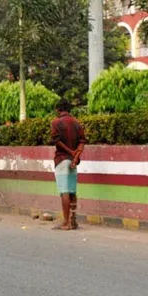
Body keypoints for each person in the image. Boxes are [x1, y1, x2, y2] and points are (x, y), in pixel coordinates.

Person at [51, 99, 83, 231]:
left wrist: (70, 152)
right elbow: (82, 141)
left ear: (58, 109)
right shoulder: (77, 123)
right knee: (72, 191)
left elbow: (56, 141)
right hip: (73, 160)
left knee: (64, 191)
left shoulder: (56, 122)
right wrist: (75, 156)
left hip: (62, 159)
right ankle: (73, 220)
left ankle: (65, 222)